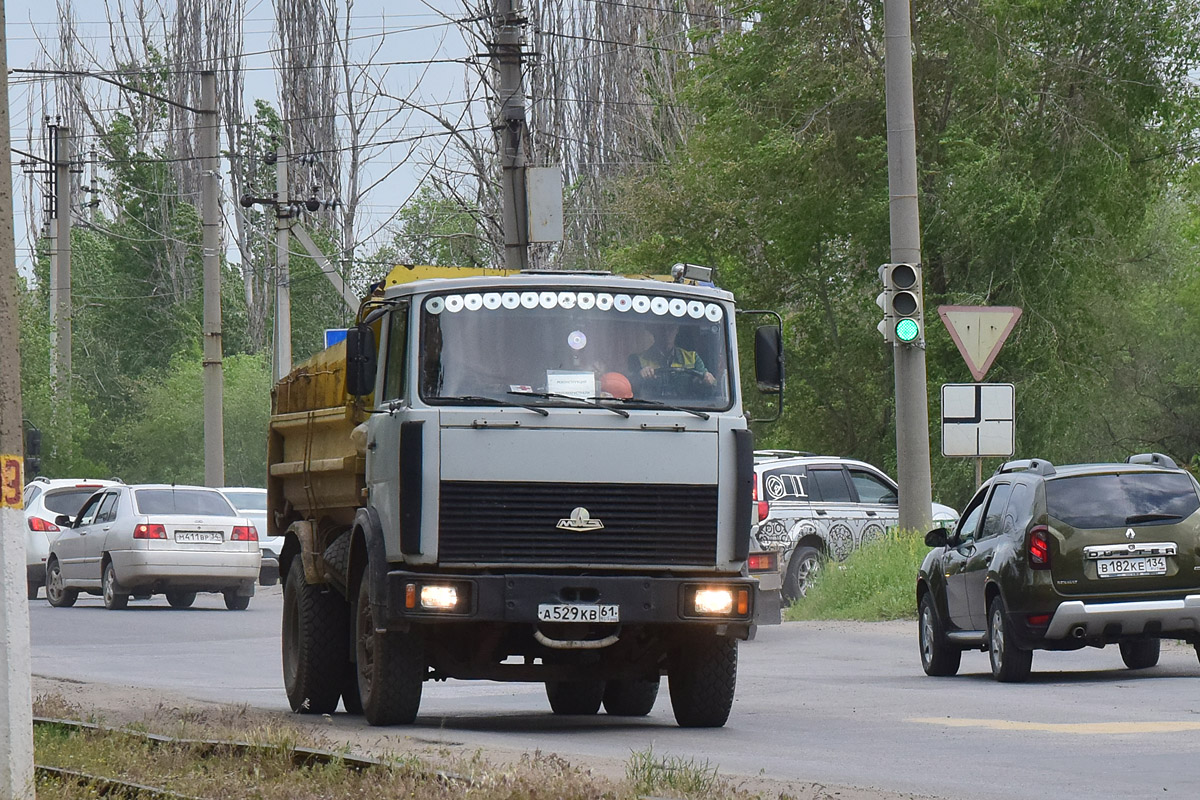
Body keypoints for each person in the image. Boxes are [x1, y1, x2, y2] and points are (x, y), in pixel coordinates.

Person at [628, 323, 716, 389]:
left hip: (688, 410)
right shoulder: (637, 359)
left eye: (670, 328)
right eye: (661, 329)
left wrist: (709, 380)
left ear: (677, 330)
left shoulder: (693, 358)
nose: (666, 333)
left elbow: (712, 387)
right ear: (653, 331)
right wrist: (640, 375)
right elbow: (629, 387)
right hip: (650, 408)